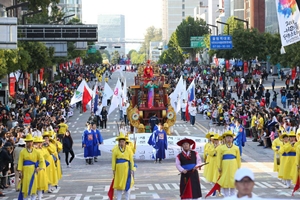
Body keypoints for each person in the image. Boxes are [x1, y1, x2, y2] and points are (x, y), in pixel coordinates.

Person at [17, 134, 45, 200]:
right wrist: (20, 171)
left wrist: (39, 167)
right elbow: (20, 161)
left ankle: (33, 198)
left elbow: (41, 160)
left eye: (30, 142)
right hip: (25, 171)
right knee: (26, 186)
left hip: (33, 171)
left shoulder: (36, 151)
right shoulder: (22, 151)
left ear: (32, 142)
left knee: (33, 187)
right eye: (28, 142)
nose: (29, 143)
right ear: (26, 143)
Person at [217, 130, 241, 197]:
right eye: (227, 138)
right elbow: (218, 158)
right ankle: (226, 197)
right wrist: (219, 167)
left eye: (230, 138)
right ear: (225, 138)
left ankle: (233, 197)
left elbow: (238, 159)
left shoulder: (236, 148)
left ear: (232, 138)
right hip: (224, 166)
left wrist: (239, 168)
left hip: (234, 166)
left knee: (233, 183)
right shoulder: (221, 148)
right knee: (225, 182)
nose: (229, 139)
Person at [111, 133, 135, 200]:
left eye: (123, 142)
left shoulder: (129, 149)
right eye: (120, 142)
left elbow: (131, 160)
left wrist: (132, 169)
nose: (122, 143)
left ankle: (127, 198)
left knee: (127, 185)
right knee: (119, 185)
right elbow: (113, 160)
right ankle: (119, 198)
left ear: (125, 142)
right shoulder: (115, 150)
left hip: (126, 170)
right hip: (118, 170)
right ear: (118, 142)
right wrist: (113, 169)